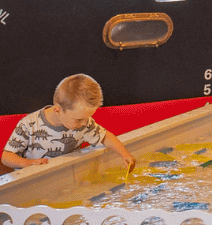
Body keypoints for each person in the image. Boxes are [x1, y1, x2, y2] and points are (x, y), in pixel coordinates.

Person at [2, 73, 136, 171]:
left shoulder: (84, 124)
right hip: (33, 180)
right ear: (58, 110)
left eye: (87, 118)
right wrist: (27, 163)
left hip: (64, 176)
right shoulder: (29, 125)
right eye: (79, 119)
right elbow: (6, 156)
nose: (85, 123)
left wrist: (124, 154)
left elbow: (105, 136)